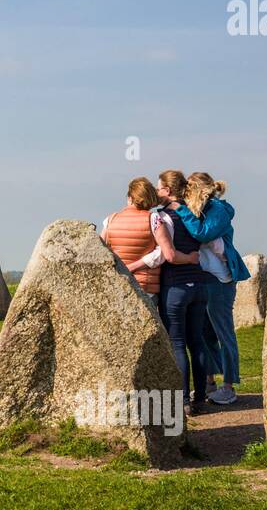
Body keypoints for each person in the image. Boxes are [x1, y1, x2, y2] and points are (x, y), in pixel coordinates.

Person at [173, 173, 250, 405]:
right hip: (203, 277)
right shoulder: (199, 208)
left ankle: (229, 386)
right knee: (203, 333)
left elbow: (203, 233)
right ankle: (209, 382)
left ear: (197, 189)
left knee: (222, 331)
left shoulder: (218, 209)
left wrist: (180, 209)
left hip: (221, 279)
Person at [154, 170, 214, 413]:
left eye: (159, 188)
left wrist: (185, 259)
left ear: (168, 191)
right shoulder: (195, 213)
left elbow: (168, 255)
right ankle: (200, 397)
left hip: (175, 286)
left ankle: (183, 402)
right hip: (198, 285)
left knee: (177, 344)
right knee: (196, 342)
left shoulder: (162, 217)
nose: (156, 193)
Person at [100, 177, 164, 297]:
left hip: (119, 283)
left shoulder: (110, 220)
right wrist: (135, 265)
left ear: (130, 198)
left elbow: (100, 249)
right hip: (146, 286)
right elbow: (163, 252)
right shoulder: (153, 219)